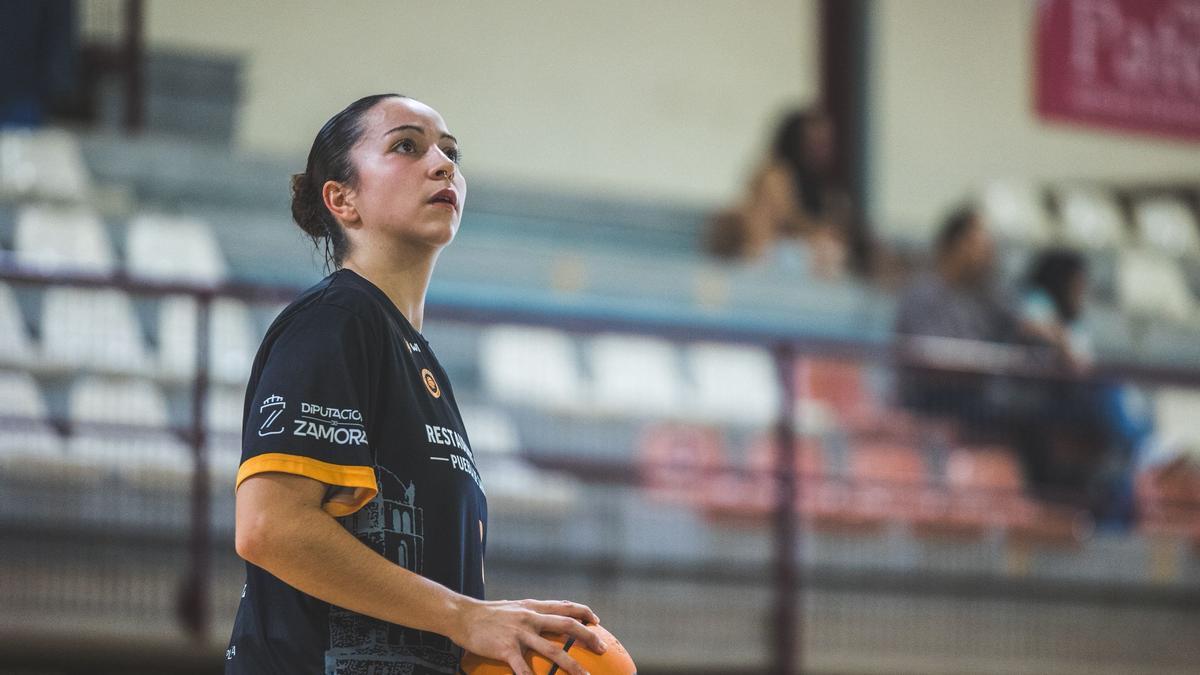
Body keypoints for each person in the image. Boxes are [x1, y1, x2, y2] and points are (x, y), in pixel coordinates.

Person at [226, 94, 605, 675]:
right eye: (407, 146)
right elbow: (270, 527)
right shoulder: (336, 320)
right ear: (342, 198)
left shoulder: (412, 353)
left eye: (450, 152)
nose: (443, 164)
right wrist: (464, 615)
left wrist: (485, 621)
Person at [706, 107, 872, 278]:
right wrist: (820, 230)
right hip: (765, 255)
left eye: (826, 144)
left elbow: (840, 227)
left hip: (793, 256)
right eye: (815, 143)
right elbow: (786, 219)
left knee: (834, 251)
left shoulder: (826, 189)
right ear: (797, 143)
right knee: (827, 250)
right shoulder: (775, 174)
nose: (822, 151)